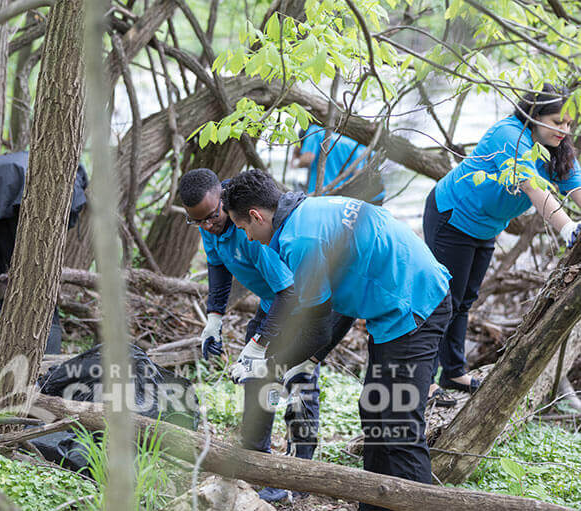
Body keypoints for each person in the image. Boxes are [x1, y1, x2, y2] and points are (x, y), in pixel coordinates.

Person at [222, 169, 452, 511]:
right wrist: (304, 359)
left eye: (244, 229)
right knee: (375, 409)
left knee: (399, 423)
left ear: (256, 216)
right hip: (395, 304)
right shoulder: (307, 212)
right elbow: (336, 308)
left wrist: (270, 365)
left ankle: (416, 504)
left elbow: (317, 328)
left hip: (414, 304)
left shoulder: (299, 242)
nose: (249, 239)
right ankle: (374, 504)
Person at [179, 168, 354, 503]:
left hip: (304, 300)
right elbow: (217, 267)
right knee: (258, 379)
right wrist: (214, 318)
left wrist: (259, 344)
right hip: (275, 302)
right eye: (196, 221)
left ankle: (302, 473)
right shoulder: (210, 219)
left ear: (222, 199)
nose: (206, 226)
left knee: (297, 376)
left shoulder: (253, 226)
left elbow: (289, 291)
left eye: (212, 217)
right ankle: (258, 464)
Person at [424, 84, 581, 396]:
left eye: (569, 124)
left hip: (485, 227)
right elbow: (533, 187)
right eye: (556, 121)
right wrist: (569, 229)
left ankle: (453, 373)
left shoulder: (558, 150)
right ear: (532, 115)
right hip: (452, 216)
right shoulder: (509, 135)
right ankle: (423, 380)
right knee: (442, 300)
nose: (564, 130)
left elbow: (576, 187)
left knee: (465, 299)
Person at [0, 151, 88, 355]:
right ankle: (44, 359)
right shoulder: (69, 174)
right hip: (19, 200)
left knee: (8, 272)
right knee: (41, 290)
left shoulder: (32, 161)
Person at [295, 124, 384, 202]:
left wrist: (296, 160)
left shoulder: (315, 130)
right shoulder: (352, 140)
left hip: (322, 195)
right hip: (344, 198)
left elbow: (307, 159)